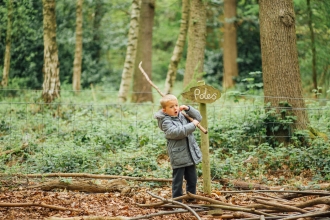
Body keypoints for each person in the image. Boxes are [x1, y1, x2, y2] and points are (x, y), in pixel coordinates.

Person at [154, 94, 202, 202]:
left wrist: (188, 109)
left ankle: (191, 198)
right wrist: (193, 125)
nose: (175, 108)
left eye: (176, 105)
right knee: (178, 180)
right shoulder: (166, 122)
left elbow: (198, 118)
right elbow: (177, 132)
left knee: (192, 179)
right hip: (178, 155)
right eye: (171, 107)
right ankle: (177, 201)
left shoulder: (182, 115)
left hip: (190, 153)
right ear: (164, 110)